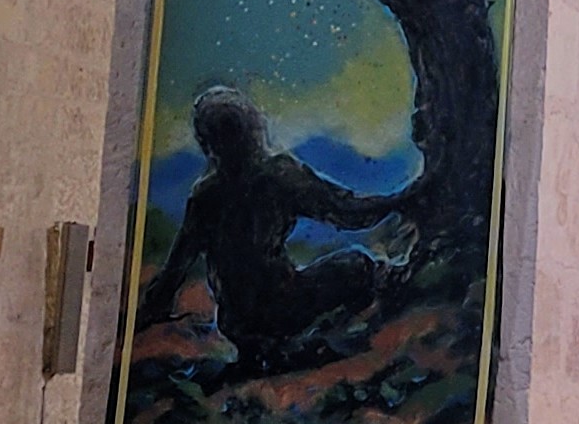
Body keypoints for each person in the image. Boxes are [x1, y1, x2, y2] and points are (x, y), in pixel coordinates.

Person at [142, 87, 408, 370]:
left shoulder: (205, 197)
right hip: (285, 308)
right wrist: (401, 201)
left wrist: (150, 314)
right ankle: (351, 336)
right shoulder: (279, 175)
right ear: (254, 129)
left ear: (208, 143)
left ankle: (271, 351)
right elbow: (346, 211)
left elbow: (175, 270)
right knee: (357, 265)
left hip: (236, 324)